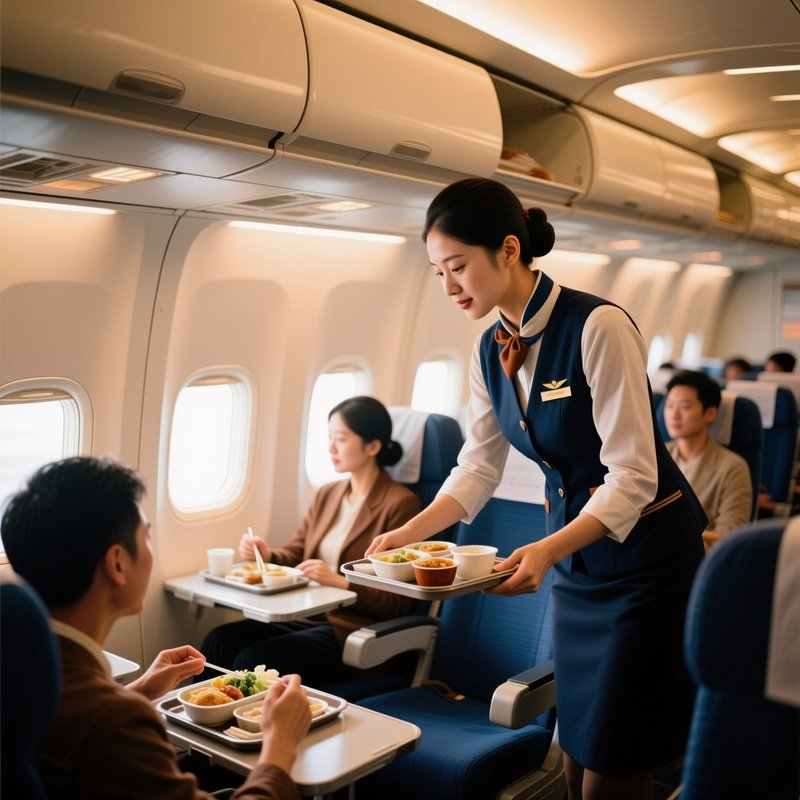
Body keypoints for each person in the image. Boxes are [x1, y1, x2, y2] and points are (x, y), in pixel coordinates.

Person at [366, 177, 707, 800]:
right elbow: (478, 467)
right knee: (576, 756)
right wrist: (408, 533)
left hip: (646, 569)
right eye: (437, 272)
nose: (448, 287)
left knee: (614, 763)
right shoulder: (487, 349)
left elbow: (634, 474)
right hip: (578, 569)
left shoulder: (598, 326)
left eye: (458, 267)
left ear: (508, 249)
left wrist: (547, 550)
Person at [1, 456, 310, 800]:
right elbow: (99, 727)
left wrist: (140, 690)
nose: (151, 550)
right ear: (117, 563)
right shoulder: (116, 724)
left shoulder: (23, 670)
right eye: (146, 537)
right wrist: (280, 747)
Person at [201, 396, 421, 686]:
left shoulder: (401, 504)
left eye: (341, 439)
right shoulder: (328, 494)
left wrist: (341, 582)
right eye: (330, 437)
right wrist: (267, 554)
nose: (331, 447)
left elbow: (397, 602)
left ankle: (243, 716)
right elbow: (298, 552)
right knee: (218, 641)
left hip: (349, 627)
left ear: (373, 447)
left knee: (252, 659)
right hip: (308, 615)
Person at [664, 370, 752, 549]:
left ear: (710, 413)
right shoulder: (657, 456)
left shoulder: (733, 466)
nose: (674, 415)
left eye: (684, 407)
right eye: (670, 405)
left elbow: (730, 536)